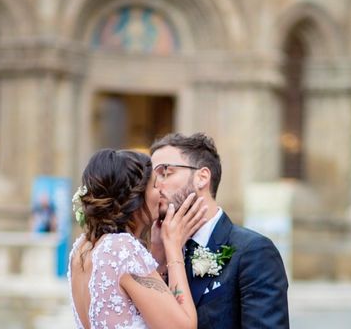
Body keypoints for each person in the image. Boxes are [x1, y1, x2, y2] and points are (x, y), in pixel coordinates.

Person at [150, 132, 290, 329]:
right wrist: (159, 260)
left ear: (202, 177)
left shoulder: (253, 251)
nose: (156, 185)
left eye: (165, 172)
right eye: (151, 176)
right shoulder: (153, 250)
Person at [68, 149, 208, 329]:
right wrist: (173, 246)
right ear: (136, 196)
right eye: (155, 186)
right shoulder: (121, 249)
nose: (161, 192)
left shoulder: (82, 247)